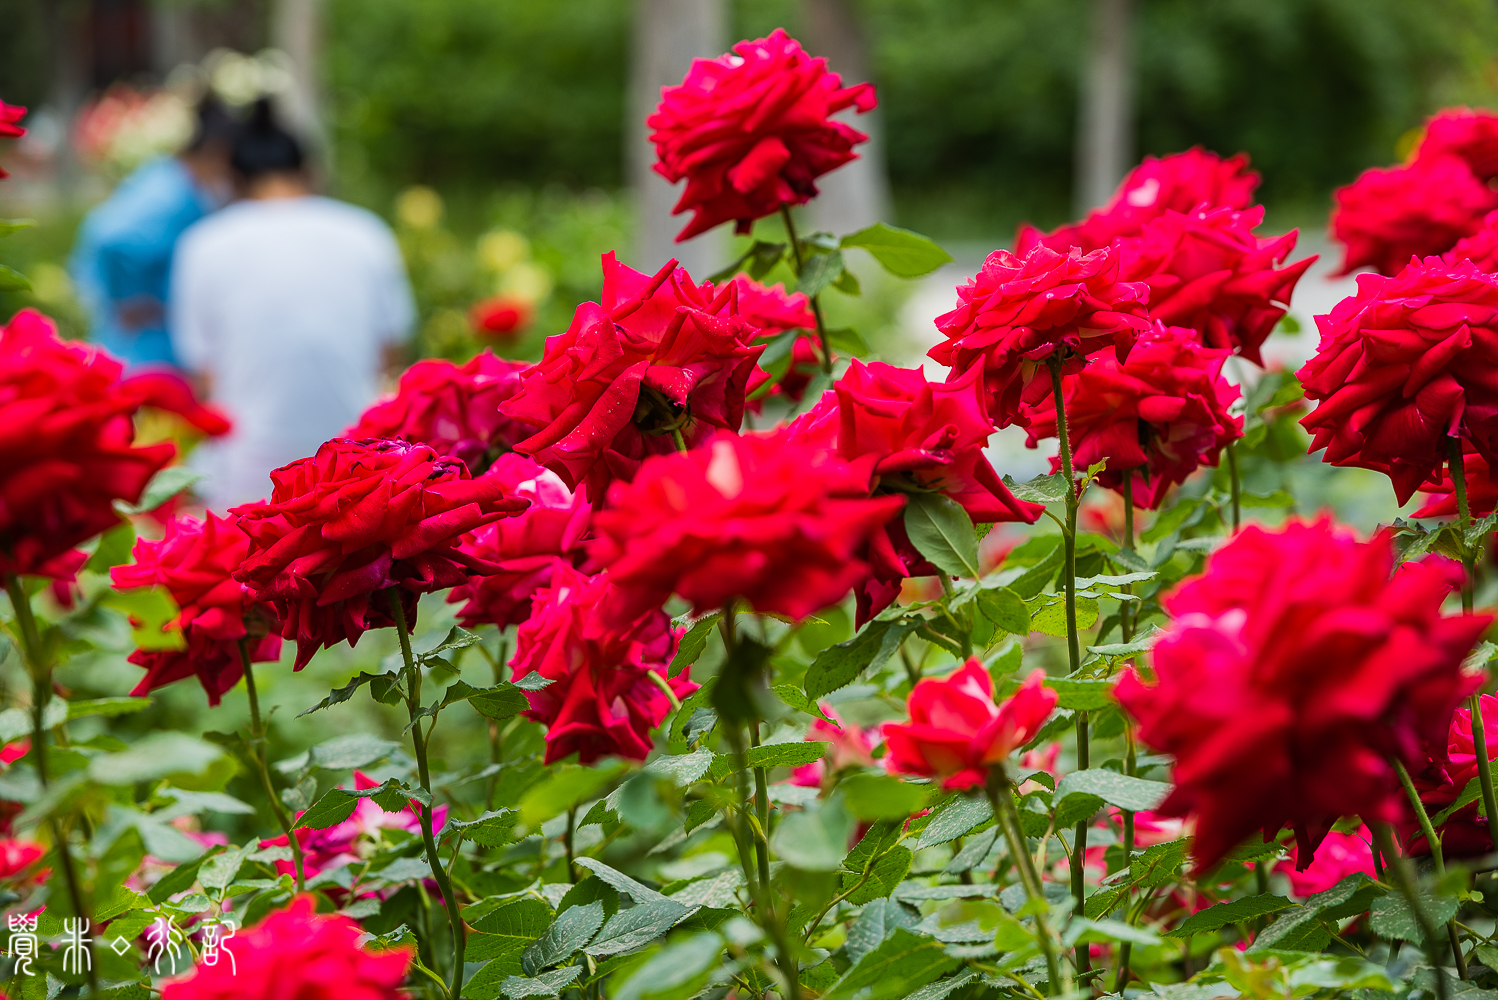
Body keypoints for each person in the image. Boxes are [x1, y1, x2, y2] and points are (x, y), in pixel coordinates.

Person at [171, 98, 415, 508]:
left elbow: (204, 376)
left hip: (247, 482)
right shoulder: (365, 233)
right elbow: (388, 358)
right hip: (356, 475)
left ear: (231, 180)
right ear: (311, 172)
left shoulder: (203, 244)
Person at [69, 95, 236, 370]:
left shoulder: (175, 180)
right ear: (219, 153)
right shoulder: (171, 192)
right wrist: (129, 297)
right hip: (141, 348)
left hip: (155, 341)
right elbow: (112, 238)